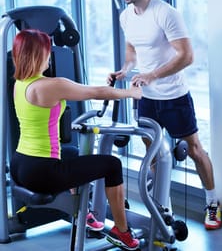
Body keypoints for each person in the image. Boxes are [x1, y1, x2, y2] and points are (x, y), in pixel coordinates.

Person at [108, 0, 221, 230]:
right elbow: (133, 52)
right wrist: (125, 69)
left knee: (194, 149)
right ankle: (163, 207)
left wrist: (153, 75)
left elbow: (187, 56)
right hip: (146, 99)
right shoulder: (125, 16)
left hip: (174, 96)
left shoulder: (165, 13)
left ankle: (212, 204)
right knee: (154, 155)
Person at [10, 29, 142, 251]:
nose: (49, 55)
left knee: (73, 153)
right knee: (112, 165)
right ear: (37, 55)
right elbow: (96, 92)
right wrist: (131, 93)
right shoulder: (50, 85)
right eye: (46, 51)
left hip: (20, 165)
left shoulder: (20, 84)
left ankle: (85, 213)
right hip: (42, 171)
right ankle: (122, 232)